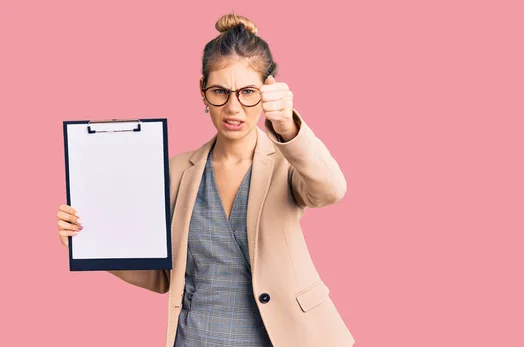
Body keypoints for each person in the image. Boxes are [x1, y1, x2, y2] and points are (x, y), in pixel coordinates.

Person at [56, 13, 355, 347]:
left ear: (267, 91)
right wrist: (88, 245)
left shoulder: (289, 159)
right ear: (202, 91)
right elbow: (161, 275)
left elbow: (331, 189)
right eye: (220, 91)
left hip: (279, 337)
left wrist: (287, 126)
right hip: (197, 336)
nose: (233, 107)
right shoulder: (177, 171)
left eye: (247, 91)